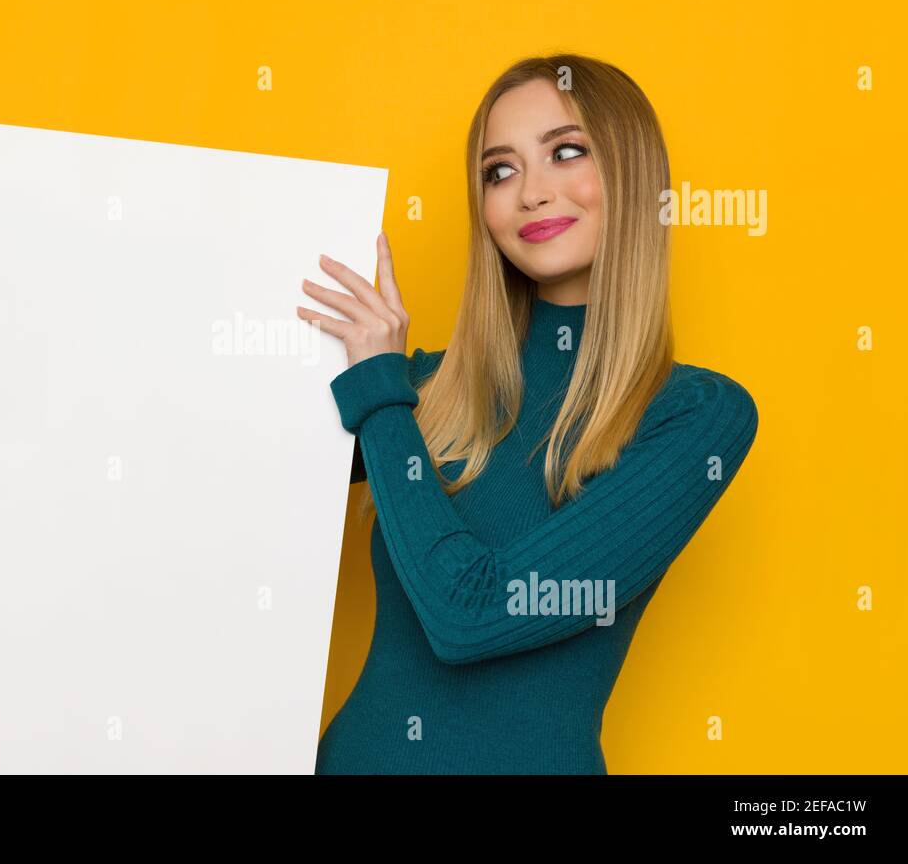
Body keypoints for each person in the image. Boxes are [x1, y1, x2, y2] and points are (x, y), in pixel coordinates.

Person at [296, 53, 759, 774]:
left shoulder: (696, 415)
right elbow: (225, 478)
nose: (531, 194)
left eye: (566, 153)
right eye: (500, 171)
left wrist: (382, 396)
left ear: (633, 175)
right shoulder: (422, 388)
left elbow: (469, 616)